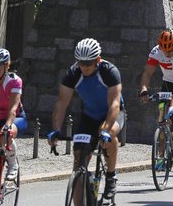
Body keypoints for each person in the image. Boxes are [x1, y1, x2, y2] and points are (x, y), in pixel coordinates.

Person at [48, 38, 124, 200]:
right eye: (81, 63)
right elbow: (61, 103)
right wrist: (56, 130)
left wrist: (105, 130)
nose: (84, 67)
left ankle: (111, 176)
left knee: (108, 134)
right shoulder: (74, 73)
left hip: (112, 114)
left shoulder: (109, 71)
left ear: (97, 60)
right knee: (78, 165)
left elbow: (115, 104)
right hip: (89, 116)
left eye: (88, 64)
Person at [0, 49, 27, 180]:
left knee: (4, 135)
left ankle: (12, 165)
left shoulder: (14, 81)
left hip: (16, 118)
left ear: (7, 66)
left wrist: (8, 125)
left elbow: (13, 108)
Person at [139, 29, 173, 116]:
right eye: (164, 50)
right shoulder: (156, 52)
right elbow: (147, 73)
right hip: (168, 83)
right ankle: (164, 128)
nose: (167, 54)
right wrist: (144, 90)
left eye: (170, 50)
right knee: (162, 111)